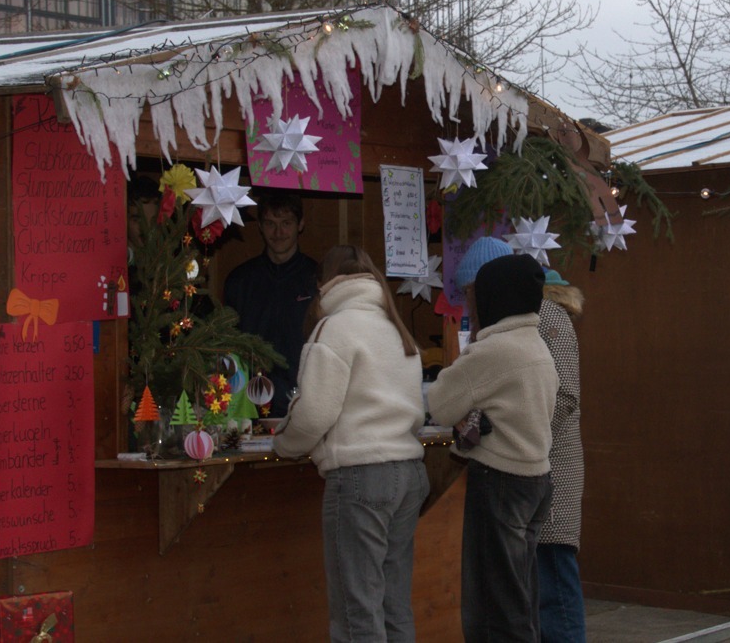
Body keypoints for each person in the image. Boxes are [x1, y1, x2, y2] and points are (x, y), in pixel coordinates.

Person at [272, 245, 429, 642]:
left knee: (356, 614)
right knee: (394, 608)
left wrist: (283, 444)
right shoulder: (395, 326)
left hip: (361, 477)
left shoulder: (335, 328)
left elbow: (313, 414)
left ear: (323, 284)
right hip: (409, 473)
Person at [427, 254, 557, 643]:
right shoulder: (536, 344)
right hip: (536, 479)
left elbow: (440, 404)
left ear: (493, 298)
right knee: (520, 598)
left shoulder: (496, 350)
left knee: (493, 606)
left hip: (500, 480)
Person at [223, 193, 318, 417]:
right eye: (270, 224)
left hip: (305, 405)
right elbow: (227, 347)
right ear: (260, 226)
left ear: (300, 224)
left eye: (286, 223)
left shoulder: (317, 279)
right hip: (248, 406)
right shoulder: (240, 280)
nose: (278, 233)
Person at [536, 269, 586, 643]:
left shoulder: (548, 316)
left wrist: (527, 436)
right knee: (549, 581)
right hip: (549, 465)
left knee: (554, 581)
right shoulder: (552, 315)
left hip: (554, 468)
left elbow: (564, 394)